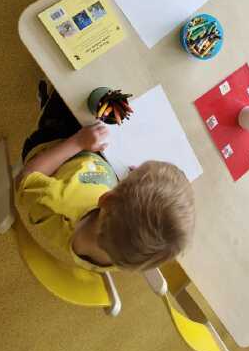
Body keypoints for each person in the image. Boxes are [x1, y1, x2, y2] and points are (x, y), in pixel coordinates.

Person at [14, 90, 195, 272]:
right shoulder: (123, 255)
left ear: (106, 198)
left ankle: (48, 101)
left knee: (72, 99)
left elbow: (25, 177)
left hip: (53, 149)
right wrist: (131, 186)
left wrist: (78, 142)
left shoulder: (60, 199)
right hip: (95, 164)